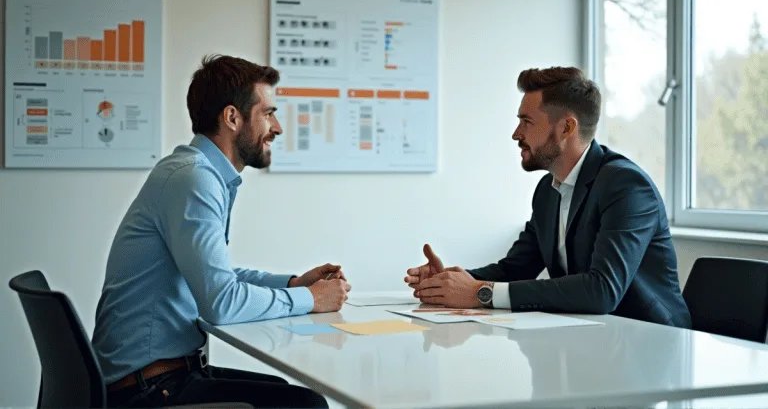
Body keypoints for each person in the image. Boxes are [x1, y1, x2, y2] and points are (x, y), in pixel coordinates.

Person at [92, 54, 350, 408]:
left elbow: (217, 277)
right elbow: (221, 304)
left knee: (292, 394)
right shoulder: (194, 179)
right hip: (148, 390)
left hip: (161, 375)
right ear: (232, 117)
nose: (277, 128)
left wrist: (292, 285)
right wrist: (311, 299)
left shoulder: (192, 172)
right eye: (268, 113)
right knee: (305, 405)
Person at [404, 66, 691, 329]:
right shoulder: (547, 191)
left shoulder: (626, 185)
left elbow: (602, 291)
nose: (516, 134)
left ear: (566, 128)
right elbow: (515, 269)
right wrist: (450, 283)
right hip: (592, 340)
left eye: (526, 121)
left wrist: (481, 293)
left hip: (652, 344)